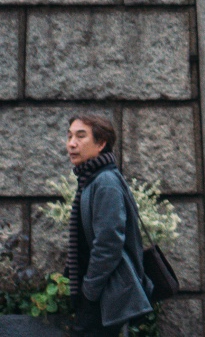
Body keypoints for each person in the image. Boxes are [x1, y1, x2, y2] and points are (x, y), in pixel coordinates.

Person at [64, 114, 151, 337]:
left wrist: (90, 291)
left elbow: (108, 243)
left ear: (101, 143)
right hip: (98, 292)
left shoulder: (104, 182)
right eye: (70, 136)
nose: (71, 143)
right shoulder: (91, 179)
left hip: (102, 296)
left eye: (80, 137)